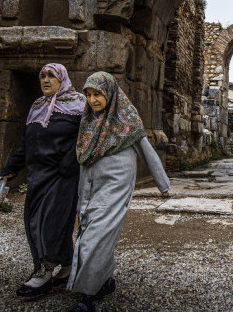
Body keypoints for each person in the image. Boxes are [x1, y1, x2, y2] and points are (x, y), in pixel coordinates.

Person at [68, 72, 171, 312]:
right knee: (88, 231)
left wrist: (162, 184)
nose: (93, 100)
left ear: (110, 93)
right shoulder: (88, 121)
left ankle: (87, 294)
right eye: (89, 95)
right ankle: (104, 281)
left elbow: (146, 150)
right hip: (89, 186)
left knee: (96, 235)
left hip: (116, 186)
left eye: (98, 94)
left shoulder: (127, 118)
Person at [0, 63, 86, 298]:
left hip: (62, 176)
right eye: (42, 76)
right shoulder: (37, 106)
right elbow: (27, 142)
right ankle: (66, 266)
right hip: (37, 176)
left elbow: (86, 138)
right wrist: (11, 168)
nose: (46, 80)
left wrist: (71, 161)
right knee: (34, 221)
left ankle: (43, 272)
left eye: (51, 76)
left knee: (49, 223)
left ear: (62, 78)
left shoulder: (78, 104)